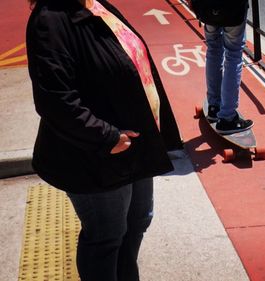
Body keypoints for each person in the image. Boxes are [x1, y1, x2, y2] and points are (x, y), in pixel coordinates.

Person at [26, 0, 183, 280]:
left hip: (133, 146)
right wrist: (106, 137)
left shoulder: (95, 4)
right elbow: (55, 100)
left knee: (137, 222)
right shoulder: (50, 20)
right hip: (96, 155)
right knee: (105, 238)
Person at [188, 0, 254, 134]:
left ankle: (214, 106)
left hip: (207, 7)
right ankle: (227, 117)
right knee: (233, 54)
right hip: (233, 8)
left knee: (213, 48)